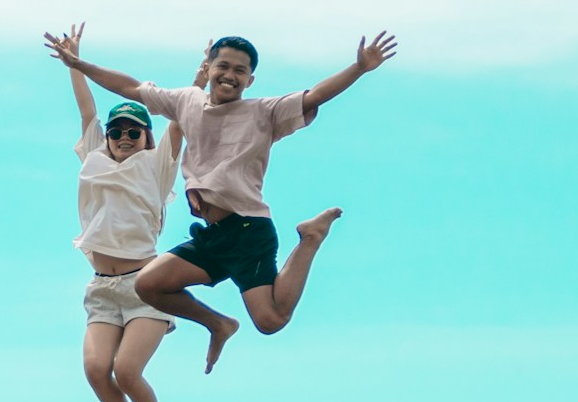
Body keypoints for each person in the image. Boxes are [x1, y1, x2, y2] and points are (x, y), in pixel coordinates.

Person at [44, 24, 398, 373]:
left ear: (250, 80)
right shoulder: (187, 102)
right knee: (149, 284)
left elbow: (315, 95)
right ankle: (218, 324)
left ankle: (309, 239)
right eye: (223, 67)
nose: (230, 75)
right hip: (213, 233)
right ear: (210, 69)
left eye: (240, 71)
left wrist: (359, 68)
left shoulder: (265, 112)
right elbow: (131, 87)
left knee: (271, 320)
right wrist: (80, 65)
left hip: (247, 230)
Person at [66, 51, 204, 402]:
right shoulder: (94, 159)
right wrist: (74, 62)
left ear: (147, 136)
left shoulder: (157, 164)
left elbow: (180, 118)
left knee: (127, 371)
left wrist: (198, 78)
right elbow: (86, 108)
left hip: (146, 284)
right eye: (117, 131)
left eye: (135, 130)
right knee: (95, 370)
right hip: (103, 288)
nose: (125, 137)